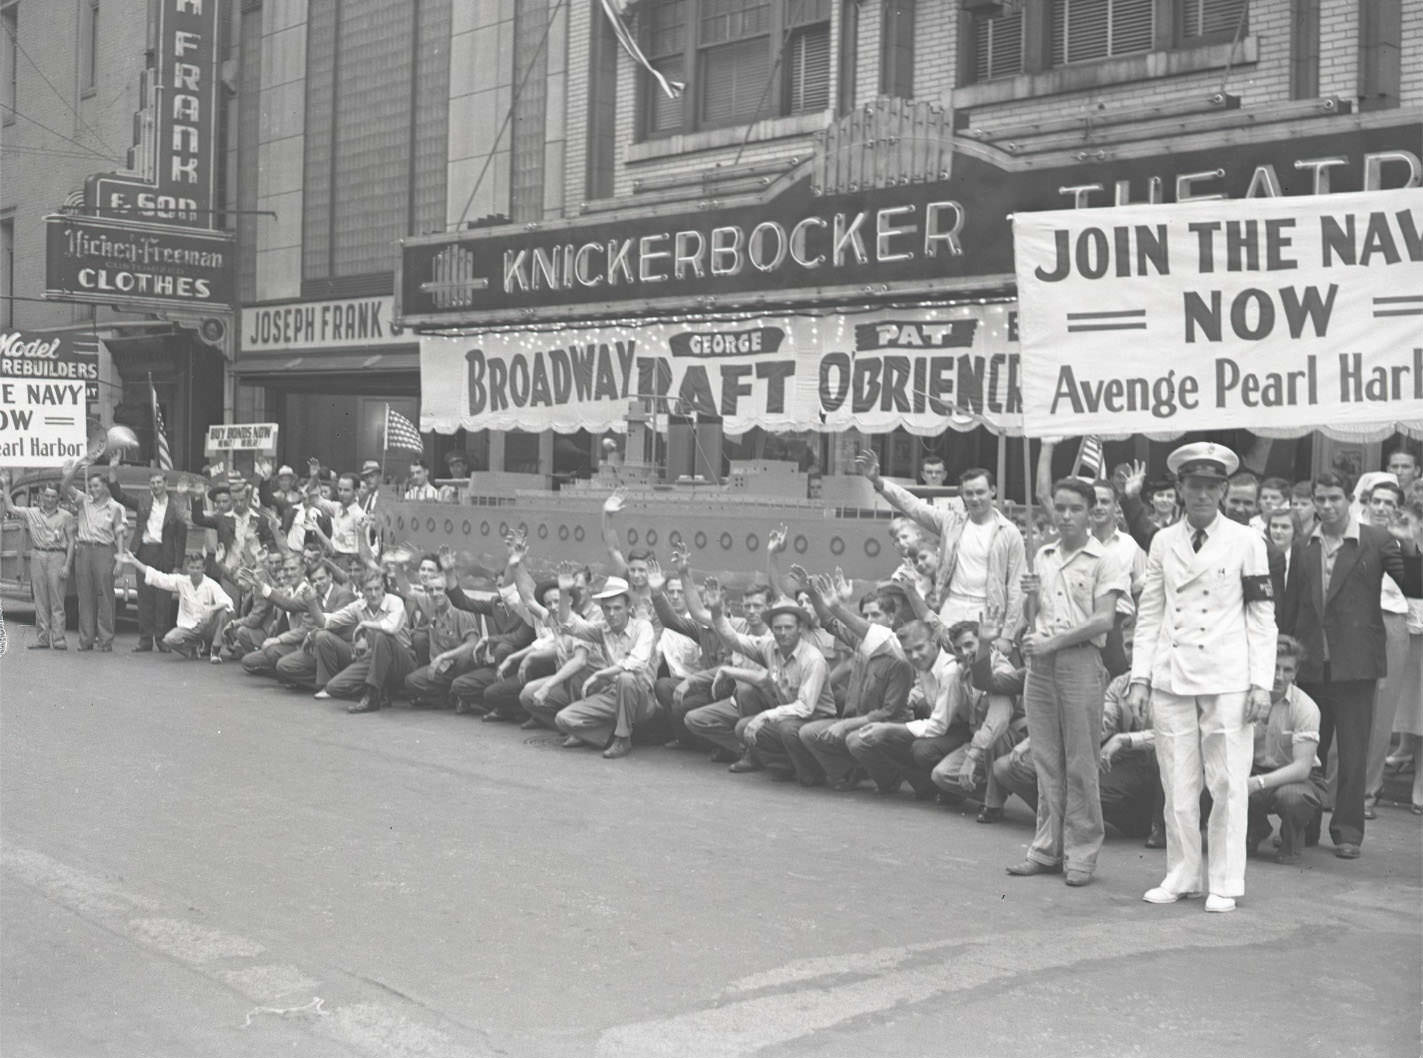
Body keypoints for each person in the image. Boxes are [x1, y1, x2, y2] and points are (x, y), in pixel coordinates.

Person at [1131, 442, 1276, 913]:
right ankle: (1182, 873)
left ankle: (1226, 880)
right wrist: (1139, 678)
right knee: (1177, 782)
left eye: (1212, 486)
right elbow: (1149, 614)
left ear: (1224, 490)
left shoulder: (1246, 541)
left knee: (1228, 782)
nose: (1202, 494)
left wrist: (1261, 683)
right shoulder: (1161, 541)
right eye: (1194, 485)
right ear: (1180, 488)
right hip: (1172, 676)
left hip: (1227, 677)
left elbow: (1261, 616)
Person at [1277, 470, 1421, 860]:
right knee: (1308, 748)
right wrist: (1284, 653)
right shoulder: (1305, 542)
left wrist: (1410, 547)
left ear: (1349, 500)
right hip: (1310, 665)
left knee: (1354, 752)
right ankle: (1304, 827)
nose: (1326, 506)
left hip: (1356, 665)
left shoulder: (1375, 540)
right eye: (1319, 499)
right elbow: (1292, 605)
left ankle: (1347, 833)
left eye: (1334, 499)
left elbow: (1415, 587)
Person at [1006, 477, 1127, 889]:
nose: (1066, 516)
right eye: (1060, 507)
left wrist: (1052, 642)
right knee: (1046, 760)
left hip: (1079, 663)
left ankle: (1082, 853)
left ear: (1091, 512)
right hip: (1040, 668)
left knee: (1080, 762)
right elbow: (1032, 614)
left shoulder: (1104, 559)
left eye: (1075, 508)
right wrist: (1028, 597)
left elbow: (1104, 620)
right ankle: (1045, 849)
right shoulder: (1042, 554)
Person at [857, 449, 1026, 648]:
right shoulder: (950, 522)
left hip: (988, 618)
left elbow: (1016, 586)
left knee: (982, 676)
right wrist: (878, 482)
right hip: (950, 613)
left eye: (980, 492)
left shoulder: (1009, 532)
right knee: (946, 675)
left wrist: (1007, 636)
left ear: (993, 491)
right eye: (969, 493)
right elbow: (913, 506)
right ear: (962, 495)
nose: (975, 498)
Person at [791, 575, 914, 790]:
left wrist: (846, 725)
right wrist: (812, 594)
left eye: (876, 614)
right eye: (865, 615)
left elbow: (887, 714)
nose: (869, 619)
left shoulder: (900, 656)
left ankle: (889, 780)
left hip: (886, 728)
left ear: (892, 617)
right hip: (855, 720)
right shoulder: (860, 642)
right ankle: (849, 773)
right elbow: (830, 622)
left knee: (855, 740)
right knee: (808, 733)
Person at [703, 593, 835, 782]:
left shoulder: (812, 659)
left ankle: (812, 772)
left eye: (788, 627)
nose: (782, 633)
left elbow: (805, 708)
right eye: (777, 628)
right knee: (743, 727)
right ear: (771, 630)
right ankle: (783, 765)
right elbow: (733, 639)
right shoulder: (768, 647)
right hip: (788, 716)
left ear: (799, 629)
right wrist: (716, 612)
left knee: (787, 729)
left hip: (816, 719)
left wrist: (764, 716)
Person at [845, 619, 959, 799]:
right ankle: (925, 786)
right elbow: (878, 637)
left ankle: (952, 792)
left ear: (933, 643)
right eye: (908, 651)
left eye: (919, 648)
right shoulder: (919, 659)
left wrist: (888, 728)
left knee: (920, 748)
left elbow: (939, 726)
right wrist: (834, 607)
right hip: (939, 725)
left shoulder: (949, 671)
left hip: (961, 730)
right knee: (887, 737)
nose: (914, 655)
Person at [554, 575, 660, 759]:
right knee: (564, 719)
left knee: (626, 678)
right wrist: (564, 592)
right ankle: (608, 733)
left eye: (617, 608)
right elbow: (569, 625)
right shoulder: (602, 629)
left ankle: (622, 739)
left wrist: (601, 674)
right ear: (602, 609)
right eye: (607, 608)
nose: (612, 613)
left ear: (628, 608)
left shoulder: (643, 627)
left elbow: (636, 663)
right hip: (613, 694)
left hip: (642, 697)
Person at [928, 620, 1024, 814]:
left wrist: (972, 757)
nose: (964, 652)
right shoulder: (960, 670)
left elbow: (998, 721)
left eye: (969, 645)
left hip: (1010, 740)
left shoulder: (1000, 671)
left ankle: (993, 804)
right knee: (941, 775)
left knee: (994, 737)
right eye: (958, 648)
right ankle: (995, 789)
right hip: (979, 739)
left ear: (985, 643)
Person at [1246, 636, 1327, 866]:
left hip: (1298, 778)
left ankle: (1293, 838)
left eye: (1287, 670)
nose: (1279, 676)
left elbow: (1302, 768)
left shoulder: (1306, 707)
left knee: (1292, 798)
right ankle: (1255, 828)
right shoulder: (1247, 698)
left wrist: (1256, 783)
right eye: (1274, 667)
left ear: (1296, 672)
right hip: (1256, 769)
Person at [1361, 480, 1411, 819]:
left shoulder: (1407, 541)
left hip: (1392, 620)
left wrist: (1408, 545)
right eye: (1376, 501)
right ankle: (1335, 788)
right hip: (1352, 622)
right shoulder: (1352, 533)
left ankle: (1368, 791)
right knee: (1347, 707)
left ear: (1398, 508)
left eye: (1388, 503)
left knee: (1381, 714)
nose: (1381, 508)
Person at [307, 570, 415, 713]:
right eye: (369, 590)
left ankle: (372, 696)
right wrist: (311, 602)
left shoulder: (395, 601)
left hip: (401, 660)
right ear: (362, 591)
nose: (374, 594)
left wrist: (365, 625)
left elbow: (392, 627)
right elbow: (327, 622)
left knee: (381, 637)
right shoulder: (358, 606)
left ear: (383, 587)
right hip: (373, 659)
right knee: (333, 687)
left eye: (377, 588)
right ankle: (378, 689)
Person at [108, 467, 186, 652]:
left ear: (166, 484)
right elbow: (120, 497)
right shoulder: (143, 500)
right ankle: (144, 640)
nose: (156, 486)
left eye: (159, 482)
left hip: (165, 553)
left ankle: (161, 639)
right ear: (149, 485)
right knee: (144, 598)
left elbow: (181, 537)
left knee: (163, 599)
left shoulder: (176, 505)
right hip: (144, 551)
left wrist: (177, 565)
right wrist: (112, 473)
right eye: (152, 483)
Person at [59, 459, 127, 652]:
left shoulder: (115, 508)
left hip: (104, 551)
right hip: (84, 551)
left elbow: (120, 533)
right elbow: (65, 487)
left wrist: (120, 559)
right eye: (91, 486)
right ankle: (86, 640)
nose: (93, 490)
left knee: (105, 596)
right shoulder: (83, 501)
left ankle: (105, 640)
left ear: (105, 486)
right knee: (85, 596)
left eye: (96, 486)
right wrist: (76, 468)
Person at [118, 549, 232, 662]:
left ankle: (215, 651)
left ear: (204, 569)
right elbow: (158, 577)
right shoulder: (181, 581)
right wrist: (134, 561)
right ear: (187, 568)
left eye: (198, 568)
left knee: (224, 612)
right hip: (189, 627)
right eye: (192, 567)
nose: (195, 571)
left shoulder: (211, 584)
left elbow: (227, 602)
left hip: (207, 626)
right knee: (169, 639)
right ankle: (193, 649)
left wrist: (212, 609)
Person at [1, 477, 75, 650]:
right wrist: (5, 487)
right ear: (42, 497)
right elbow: (11, 508)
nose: (49, 499)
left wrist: (67, 565)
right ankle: (42, 638)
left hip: (57, 556)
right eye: (47, 496)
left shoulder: (66, 516)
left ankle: (58, 638)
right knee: (40, 599)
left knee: (57, 599)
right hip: (38, 553)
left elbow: (71, 541)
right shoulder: (31, 512)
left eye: (53, 496)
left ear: (58, 498)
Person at [1088, 479, 1145, 677]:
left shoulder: (1131, 545)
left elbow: (1141, 595)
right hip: (1083, 628)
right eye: (1093, 502)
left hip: (1119, 631)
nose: (1098, 507)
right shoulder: (1077, 543)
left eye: (1105, 502)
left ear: (1115, 506)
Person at [402, 575, 484, 707]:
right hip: (443, 668)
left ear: (447, 591)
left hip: (461, 665)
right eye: (431, 590)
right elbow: (407, 592)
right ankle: (447, 695)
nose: (435, 594)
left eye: (439, 589)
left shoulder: (461, 610)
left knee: (465, 657)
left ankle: (461, 695)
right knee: (411, 681)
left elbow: (473, 643)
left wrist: (443, 657)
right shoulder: (431, 607)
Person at [271, 567, 358, 688]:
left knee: (322, 636)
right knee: (284, 666)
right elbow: (289, 604)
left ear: (330, 577)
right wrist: (262, 588)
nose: (318, 583)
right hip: (319, 649)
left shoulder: (344, 595)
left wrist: (311, 635)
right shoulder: (314, 595)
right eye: (314, 580)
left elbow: (334, 626)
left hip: (345, 649)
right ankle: (334, 684)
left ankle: (330, 685)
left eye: (321, 578)